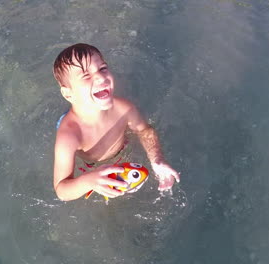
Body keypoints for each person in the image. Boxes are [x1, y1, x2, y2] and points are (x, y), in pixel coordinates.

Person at [53, 43, 180, 201]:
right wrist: (89, 181)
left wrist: (157, 160)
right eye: (86, 76)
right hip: (90, 162)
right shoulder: (70, 135)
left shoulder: (123, 109)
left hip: (121, 149)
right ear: (68, 94)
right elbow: (62, 189)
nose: (100, 77)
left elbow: (144, 131)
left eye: (103, 68)